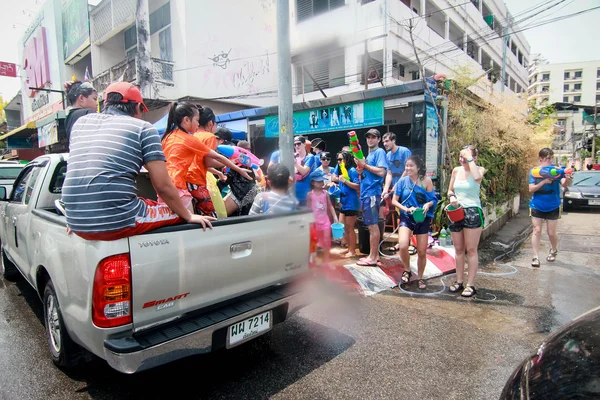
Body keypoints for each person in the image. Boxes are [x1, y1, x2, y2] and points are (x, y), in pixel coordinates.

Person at [63, 82, 215, 240]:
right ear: (137, 107)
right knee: (177, 212)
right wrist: (189, 216)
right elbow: (162, 185)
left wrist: (78, 218)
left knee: (147, 202)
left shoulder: (81, 124)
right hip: (118, 221)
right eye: (142, 109)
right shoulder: (143, 128)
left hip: (75, 220)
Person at [161, 102, 252, 215]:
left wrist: (219, 173)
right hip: (187, 185)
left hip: (165, 186)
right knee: (209, 218)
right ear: (186, 120)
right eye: (196, 120)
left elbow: (198, 162)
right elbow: (211, 160)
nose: (197, 124)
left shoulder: (168, 137)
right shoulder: (198, 138)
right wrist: (238, 168)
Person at [391, 156, 437, 289]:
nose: (408, 168)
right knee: (403, 245)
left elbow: (434, 199)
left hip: (422, 217)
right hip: (406, 216)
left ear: (418, 168)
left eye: (411, 166)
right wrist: (406, 209)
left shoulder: (426, 181)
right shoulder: (402, 182)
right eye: (406, 165)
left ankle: (420, 277)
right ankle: (407, 269)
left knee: (422, 251)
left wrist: (428, 205)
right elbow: (394, 201)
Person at [447, 145, 486, 297]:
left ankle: (470, 285)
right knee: (458, 249)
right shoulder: (456, 170)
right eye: (461, 157)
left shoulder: (479, 169)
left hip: (472, 211)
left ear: (474, 158)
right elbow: (450, 190)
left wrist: (469, 159)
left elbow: (477, 178)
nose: (462, 160)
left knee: (471, 249)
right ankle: (459, 281)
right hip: (456, 210)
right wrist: (452, 197)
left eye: (466, 157)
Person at [529, 148, 573, 268]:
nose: (549, 161)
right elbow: (531, 189)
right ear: (541, 159)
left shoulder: (556, 171)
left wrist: (568, 179)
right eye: (546, 159)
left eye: (551, 158)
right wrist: (543, 182)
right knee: (536, 230)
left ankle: (553, 250)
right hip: (537, 204)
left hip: (553, 204)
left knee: (551, 232)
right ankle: (535, 257)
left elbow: (564, 184)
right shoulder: (535, 171)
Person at [355, 129, 388, 266]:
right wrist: (361, 170)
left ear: (379, 139)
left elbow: (382, 172)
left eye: (373, 137)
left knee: (373, 226)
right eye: (368, 137)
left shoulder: (379, 152)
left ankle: (373, 257)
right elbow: (367, 171)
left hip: (372, 193)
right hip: (366, 193)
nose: (370, 139)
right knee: (370, 225)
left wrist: (365, 166)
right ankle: (373, 256)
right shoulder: (369, 154)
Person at [381, 132, 412, 252]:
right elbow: (388, 173)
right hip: (396, 190)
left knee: (409, 214)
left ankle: (410, 243)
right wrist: (385, 189)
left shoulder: (404, 151)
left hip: (407, 188)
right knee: (400, 215)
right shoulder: (388, 156)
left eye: (387, 141)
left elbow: (408, 169)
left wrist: (398, 184)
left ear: (394, 141)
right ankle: (401, 242)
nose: (385, 144)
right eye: (384, 142)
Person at [307, 169, 338, 267]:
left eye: (322, 181)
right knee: (314, 242)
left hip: (325, 221)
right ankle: (313, 261)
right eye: (318, 181)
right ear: (312, 182)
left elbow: (330, 206)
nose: (321, 183)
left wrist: (335, 217)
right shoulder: (310, 195)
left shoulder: (326, 193)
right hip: (314, 222)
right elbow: (308, 209)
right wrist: (308, 221)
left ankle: (326, 260)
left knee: (327, 241)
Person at [332, 150, 360, 258]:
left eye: (341, 159)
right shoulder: (342, 170)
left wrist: (345, 181)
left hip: (352, 202)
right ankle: (350, 249)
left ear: (346, 159)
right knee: (346, 228)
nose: (339, 161)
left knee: (350, 227)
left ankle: (352, 251)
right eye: (338, 159)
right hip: (344, 202)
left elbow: (358, 186)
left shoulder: (352, 170)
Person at [294, 135, 317, 207]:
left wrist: (294, 163)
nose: (296, 146)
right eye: (295, 144)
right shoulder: (294, 157)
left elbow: (304, 171)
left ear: (304, 144)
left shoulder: (310, 157)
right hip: (294, 194)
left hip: (306, 194)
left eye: (298, 143)